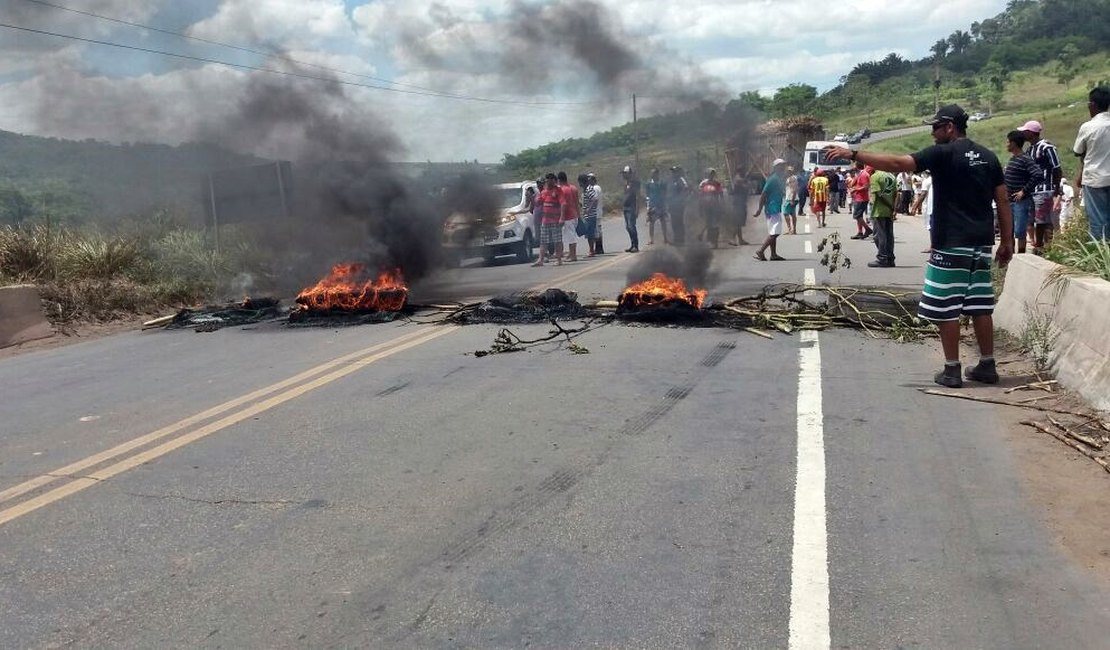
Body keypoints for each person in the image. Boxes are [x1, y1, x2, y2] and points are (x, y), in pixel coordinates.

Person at [824, 104, 1014, 388]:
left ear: (950, 127)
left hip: (951, 243)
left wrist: (853, 153)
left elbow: (899, 164)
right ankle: (987, 365)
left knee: (946, 307)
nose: (932, 133)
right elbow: (1002, 200)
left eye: (935, 127)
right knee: (979, 305)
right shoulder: (988, 156)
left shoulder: (941, 153)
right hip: (981, 244)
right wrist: (1008, 241)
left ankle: (952, 369)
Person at [1018, 119, 1061, 253]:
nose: (1023, 135)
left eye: (1025, 132)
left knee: (1044, 220)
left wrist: (1056, 188)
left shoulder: (1046, 147)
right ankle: (1040, 245)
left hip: (1044, 188)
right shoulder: (1030, 149)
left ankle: (1046, 247)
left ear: (1031, 133)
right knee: (1037, 220)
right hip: (1033, 190)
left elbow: (1056, 168)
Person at [1074, 86, 1110, 240]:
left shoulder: (1088, 127)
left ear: (1092, 105)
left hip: (1095, 179)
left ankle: (1101, 256)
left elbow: (1078, 151)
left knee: (1098, 221)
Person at [1003, 130, 1040, 254]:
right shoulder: (1013, 159)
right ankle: (1011, 254)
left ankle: (1021, 254)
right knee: (1010, 230)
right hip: (1010, 201)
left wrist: (1023, 191)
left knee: (1020, 231)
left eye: (1008, 142)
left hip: (1021, 201)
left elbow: (1038, 174)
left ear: (1013, 143)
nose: (1006, 144)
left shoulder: (1025, 159)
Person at [753, 158, 787, 261]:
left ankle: (773, 254)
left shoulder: (779, 178)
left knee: (773, 231)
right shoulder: (773, 179)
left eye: (783, 165)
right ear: (776, 167)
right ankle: (761, 251)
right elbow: (764, 193)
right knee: (775, 233)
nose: (783, 167)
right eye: (780, 165)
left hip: (774, 207)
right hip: (772, 208)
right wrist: (759, 209)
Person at [868, 168, 898, 267]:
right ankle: (890, 258)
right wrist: (893, 208)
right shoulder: (891, 176)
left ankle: (882, 258)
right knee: (889, 235)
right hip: (889, 210)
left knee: (879, 235)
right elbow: (896, 194)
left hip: (879, 210)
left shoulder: (875, 176)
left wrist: (888, 205)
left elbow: (878, 194)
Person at [533, 173, 564, 267]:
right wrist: (536, 199)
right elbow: (538, 203)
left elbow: (563, 204)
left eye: (551, 179)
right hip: (545, 220)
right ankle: (540, 259)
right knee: (543, 241)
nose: (549, 181)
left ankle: (559, 259)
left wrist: (562, 218)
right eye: (547, 179)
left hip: (555, 220)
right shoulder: (544, 192)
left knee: (557, 240)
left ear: (554, 180)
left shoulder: (558, 190)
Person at [698, 168, 726, 247]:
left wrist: (722, 206)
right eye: (709, 174)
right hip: (706, 207)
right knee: (708, 224)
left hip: (715, 207)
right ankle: (709, 241)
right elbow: (700, 196)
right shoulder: (703, 184)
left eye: (712, 174)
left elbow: (721, 195)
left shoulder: (717, 184)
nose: (711, 175)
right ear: (706, 175)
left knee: (715, 224)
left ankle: (715, 242)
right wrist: (700, 208)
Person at [557, 171, 581, 262]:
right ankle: (571, 254)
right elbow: (577, 203)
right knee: (571, 235)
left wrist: (561, 216)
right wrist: (579, 215)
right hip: (574, 214)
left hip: (568, 216)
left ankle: (573, 255)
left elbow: (563, 204)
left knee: (571, 237)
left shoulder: (562, 190)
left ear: (559, 180)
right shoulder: (573, 188)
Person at [849, 161, 873, 239]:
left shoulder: (864, 175)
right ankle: (860, 232)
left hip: (862, 199)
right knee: (859, 216)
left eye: (854, 165)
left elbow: (866, 187)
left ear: (857, 166)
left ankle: (868, 229)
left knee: (857, 216)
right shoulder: (859, 174)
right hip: (858, 198)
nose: (852, 166)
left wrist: (855, 190)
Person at [645, 168, 669, 245]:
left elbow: (665, 194)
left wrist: (666, 205)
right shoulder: (649, 184)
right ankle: (651, 239)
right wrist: (648, 207)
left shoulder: (662, 183)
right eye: (652, 174)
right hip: (652, 205)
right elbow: (647, 196)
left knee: (663, 222)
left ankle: (665, 238)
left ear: (657, 174)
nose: (653, 175)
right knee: (651, 223)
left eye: (654, 173)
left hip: (661, 205)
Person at [667, 166, 690, 245]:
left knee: (679, 222)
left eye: (674, 171)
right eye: (672, 171)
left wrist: (681, 199)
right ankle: (676, 239)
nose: (673, 173)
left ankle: (681, 240)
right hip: (672, 204)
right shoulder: (670, 180)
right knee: (674, 222)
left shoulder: (681, 179)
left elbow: (686, 189)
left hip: (679, 205)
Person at [579, 172, 601, 256]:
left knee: (590, 233)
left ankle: (591, 250)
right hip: (587, 215)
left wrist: (589, 209)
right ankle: (591, 250)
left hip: (591, 215)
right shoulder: (585, 190)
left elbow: (595, 199)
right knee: (588, 233)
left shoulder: (589, 189)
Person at [620, 165, 641, 252]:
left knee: (631, 226)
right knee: (628, 227)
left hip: (632, 207)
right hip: (626, 207)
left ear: (630, 174)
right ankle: (632, 244)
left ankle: (636, 246)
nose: (623, 175)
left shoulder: (635, 183)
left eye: (625, 173)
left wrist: (637, 209)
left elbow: (638, 196)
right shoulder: (626, 183)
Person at [729, 171, 750, 245]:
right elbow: (740, 183)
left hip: (741, 203)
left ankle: (740, 239)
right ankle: (732, 238)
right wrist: (745, 181)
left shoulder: (740, 180)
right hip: (738, 204)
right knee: (737, 222)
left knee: (739, 223)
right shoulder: (738, 181)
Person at [783, 167, 798, 235]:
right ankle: (793, 230)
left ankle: (790, 229)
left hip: (790, 199)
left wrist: (792, 200)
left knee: (785, 213)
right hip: (792, 198)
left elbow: (794, 189)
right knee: (792, 214)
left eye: (789, 171)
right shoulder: (791, 178)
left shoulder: (792, 178)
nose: (787, 172)